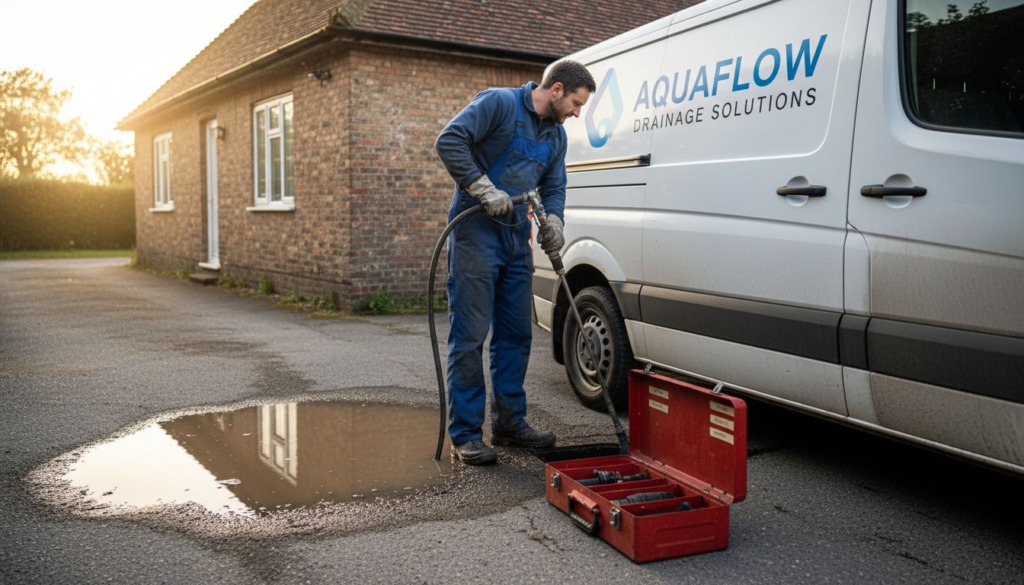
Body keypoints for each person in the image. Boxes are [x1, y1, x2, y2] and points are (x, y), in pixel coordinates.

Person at [434, 60, 595, 465]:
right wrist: (482, 187)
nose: (577, 113)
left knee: (515, 335)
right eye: (576, 103)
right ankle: (466, 434)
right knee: (470, 336)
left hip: (515, 238)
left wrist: (554, 221)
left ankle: (509, 423)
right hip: (475, 233)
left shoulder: (555, 135)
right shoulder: (500, 104)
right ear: (556, 89)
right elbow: (449, 140)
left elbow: (554, 185)